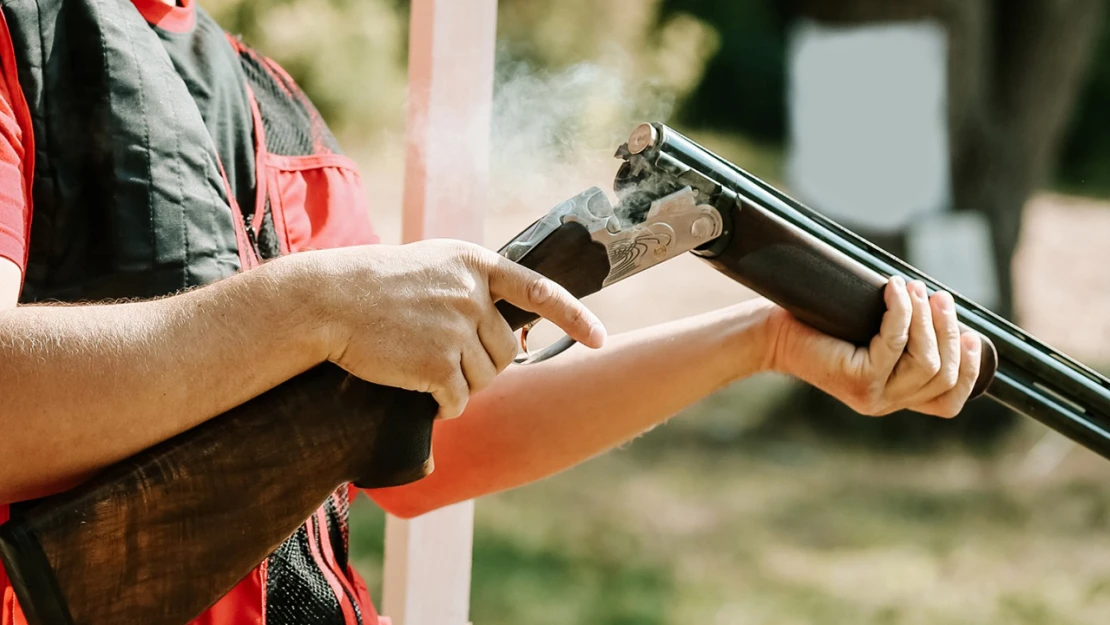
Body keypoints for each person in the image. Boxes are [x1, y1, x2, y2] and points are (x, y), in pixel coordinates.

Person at [0, 0, 984, 624]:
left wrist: (764, 338)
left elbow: (432, 450)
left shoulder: (271, 97)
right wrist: (314, 306)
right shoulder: (19, 34)